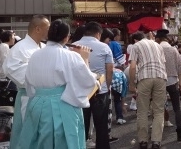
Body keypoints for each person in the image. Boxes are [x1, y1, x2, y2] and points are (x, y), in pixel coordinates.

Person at [18, 19, 97, 149]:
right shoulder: (70, 55)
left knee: (37, 140)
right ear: (67, 38)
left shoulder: (35, 55)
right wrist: (85, 58)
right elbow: (87, 81)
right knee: (64, 142)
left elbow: (28, 83)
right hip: (62, 104)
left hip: (37, 104)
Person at [3, 15, 50, 148]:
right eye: (48, 28)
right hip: (28, 96)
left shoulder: (44, 47)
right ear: (38, 29)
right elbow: (9, 69)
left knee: (41, 134)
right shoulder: (20, 48)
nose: (50, 31)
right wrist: (37, 77)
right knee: (27, 132)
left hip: (45, 97)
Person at [74, 21, 114, 149]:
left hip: (79, 92)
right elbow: (110, 70)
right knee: (101, 126)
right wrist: (107, 87)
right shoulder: (104, 47)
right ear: (98, 33)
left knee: (80, 125)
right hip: (99, 91)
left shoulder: (73, 46)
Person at [129, 32, 167, 149]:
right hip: (160, 77)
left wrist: (132, 84)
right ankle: (156, 141)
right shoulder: (158, 45)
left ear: (135, 40)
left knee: (142, 111)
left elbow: (133, 66)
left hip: (144, 77)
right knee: (159, 111)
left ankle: (143, 141)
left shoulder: (136, 46)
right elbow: (163, 63)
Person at [154, 29, 181, 142]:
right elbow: (180, 67)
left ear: (158, 39)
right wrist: (180, 82)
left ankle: (156, 138)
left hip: (159, 81)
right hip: (173, 80)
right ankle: (180, 131)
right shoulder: (173, 49)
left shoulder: (155, 49)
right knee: (176, 107)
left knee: (158, 108)